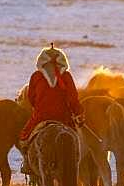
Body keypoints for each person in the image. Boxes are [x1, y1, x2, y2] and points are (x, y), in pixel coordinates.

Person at [18, 44, 85, 175]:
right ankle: (76, 163)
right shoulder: (66, 76)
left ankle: (27, 164)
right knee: (76, 139)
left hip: (41, 117)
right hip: (63, 117)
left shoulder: (36, 76)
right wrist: (78, 113)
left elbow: (31, 98)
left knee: (24, 138)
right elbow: (73, 99)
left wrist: (38, 107)